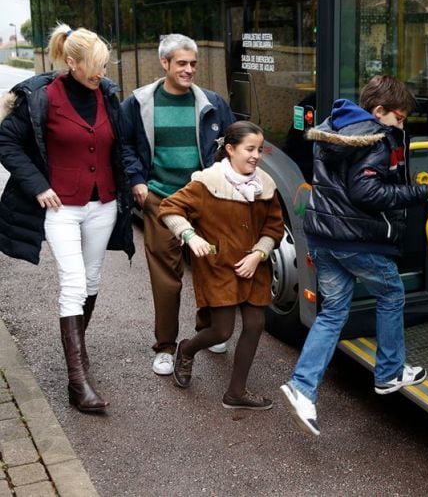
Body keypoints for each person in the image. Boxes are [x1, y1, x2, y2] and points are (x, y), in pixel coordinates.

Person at [280, 75, 428, 435]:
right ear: (379, 111)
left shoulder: (335, 127)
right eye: (399, 117)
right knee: (392, 293)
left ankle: (302, 387)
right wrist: (418, 193)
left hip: (324, 236)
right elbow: (366, 192)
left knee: (333, 312)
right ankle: (389, 372)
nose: (402, 124)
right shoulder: (376, 139)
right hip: (357, 240)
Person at [0, 24, 134, 413]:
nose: (101, 74)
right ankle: (78, 383)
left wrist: (133, 185)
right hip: (60, 208)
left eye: (105, 66)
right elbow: (6, 141)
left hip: (103, 205)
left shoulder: (107, 96)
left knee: (92, 280)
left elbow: (119, 144)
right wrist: (38, 185)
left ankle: (78, 356)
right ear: (71, 62)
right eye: (94, 67)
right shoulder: (41, 98)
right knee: (73, 284)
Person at [121, 34, 235, 376]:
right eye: (181, 63)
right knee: (166, 277)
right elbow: (125, 145)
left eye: (193, 64)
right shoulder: (138, 103)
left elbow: (230, 144)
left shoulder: (212, 102)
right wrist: (137, 181)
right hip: (160, 198)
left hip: (203, 197)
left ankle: (207, 330)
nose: (189, 70)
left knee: (210, 266)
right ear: (165, 63)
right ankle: (166, 347)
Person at [157, 121, 283, 409]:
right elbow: (169, 208)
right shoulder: (207, 183)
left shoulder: (265, 184)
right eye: (249, 149)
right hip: (219, 267)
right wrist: (189, 235)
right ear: (230, 149)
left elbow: (274, 227)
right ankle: (186, 349)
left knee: (255, 324)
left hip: (254, 266)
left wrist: (258, 255)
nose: (256, 155)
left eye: (259, 150)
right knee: (222, 331)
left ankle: (235, 393)